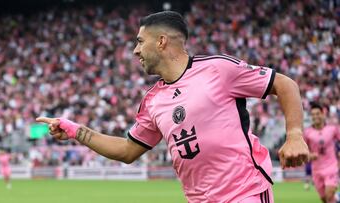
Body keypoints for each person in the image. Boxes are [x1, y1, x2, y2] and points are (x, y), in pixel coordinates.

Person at [36, 11, 309, 203]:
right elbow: (127, 150)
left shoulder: (217, 69)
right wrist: (74, 131)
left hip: (244, 192)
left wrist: (294, 135)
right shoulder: (153, 100)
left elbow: (285, 85)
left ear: (162, 41)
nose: (135, 50)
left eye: (140, 41)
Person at [304, 103, 340, 203]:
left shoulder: (332, 129)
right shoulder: (307, 132)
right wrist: (309, 156)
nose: (315, 116)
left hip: (331, 167)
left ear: (323, 114)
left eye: (318, 113)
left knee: (329, 195)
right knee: (325, 199)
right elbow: (303, 151)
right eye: (313, 114)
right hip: (316, 170)